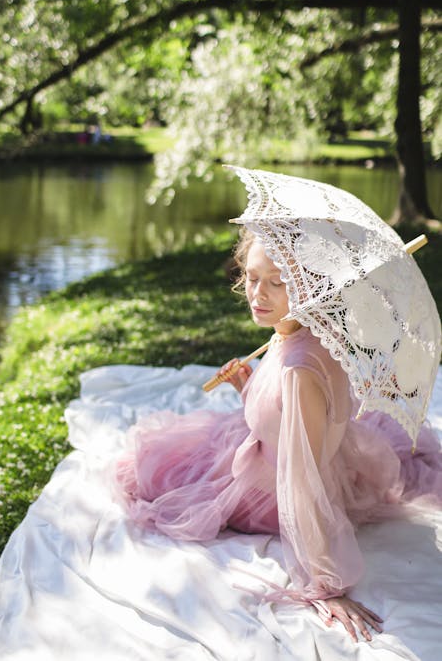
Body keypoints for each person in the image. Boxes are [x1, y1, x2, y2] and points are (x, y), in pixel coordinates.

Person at [114, 229, 442, 644]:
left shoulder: (298, 371)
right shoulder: (301, 333)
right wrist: (249, 388)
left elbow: (303, 481)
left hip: (273, 493)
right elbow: (287, 415)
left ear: (309, 286)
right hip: (284, 452)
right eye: (252, 277)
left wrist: (326, 582)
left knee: (158, 476)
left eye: (278, 282)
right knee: (185, 450)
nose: (257, 294)